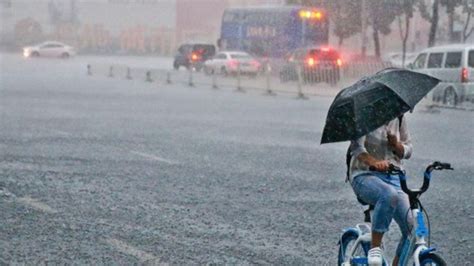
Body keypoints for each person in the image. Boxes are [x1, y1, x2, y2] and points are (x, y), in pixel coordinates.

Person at [349, 116, 414, 266]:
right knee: (388, 194)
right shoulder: (363, 116)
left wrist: (397, 145)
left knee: (411, 229)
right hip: (364, 174)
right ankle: (375, 248)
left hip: (394, 177)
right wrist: (374, 162)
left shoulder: (399, 117)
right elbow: (357, 148)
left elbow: (409, 150)